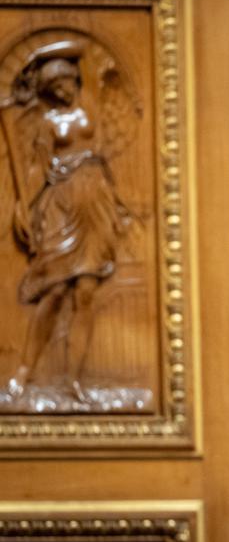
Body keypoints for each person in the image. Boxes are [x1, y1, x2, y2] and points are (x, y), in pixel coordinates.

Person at [1, 40, 131, 402]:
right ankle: (25, 371)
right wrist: (23, 208)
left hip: (95, 202)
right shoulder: (46, 122)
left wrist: (35, 58)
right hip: (61, 203)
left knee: (86, 291)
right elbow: (35, 170)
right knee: (54, 290)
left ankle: (74, 379)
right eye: (54, 87)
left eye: (65, 82)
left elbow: (81, 49)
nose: (62, 91)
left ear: (74, 79)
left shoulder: (90, 104)